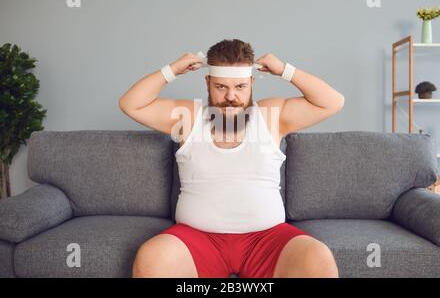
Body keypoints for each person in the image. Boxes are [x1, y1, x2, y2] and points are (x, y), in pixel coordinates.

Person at [119, 39, 344, 278]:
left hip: (267, 239)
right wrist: (171, 70)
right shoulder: (188, 117)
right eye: (221, 87)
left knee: (318, 258)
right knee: (152, 257)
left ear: (251, 83)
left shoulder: (272, 116)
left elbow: (333, 102)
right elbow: (130, 104)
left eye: (240, 87)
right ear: (207, 83)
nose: (231, 96)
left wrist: (285, 71)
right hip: (197, 239)